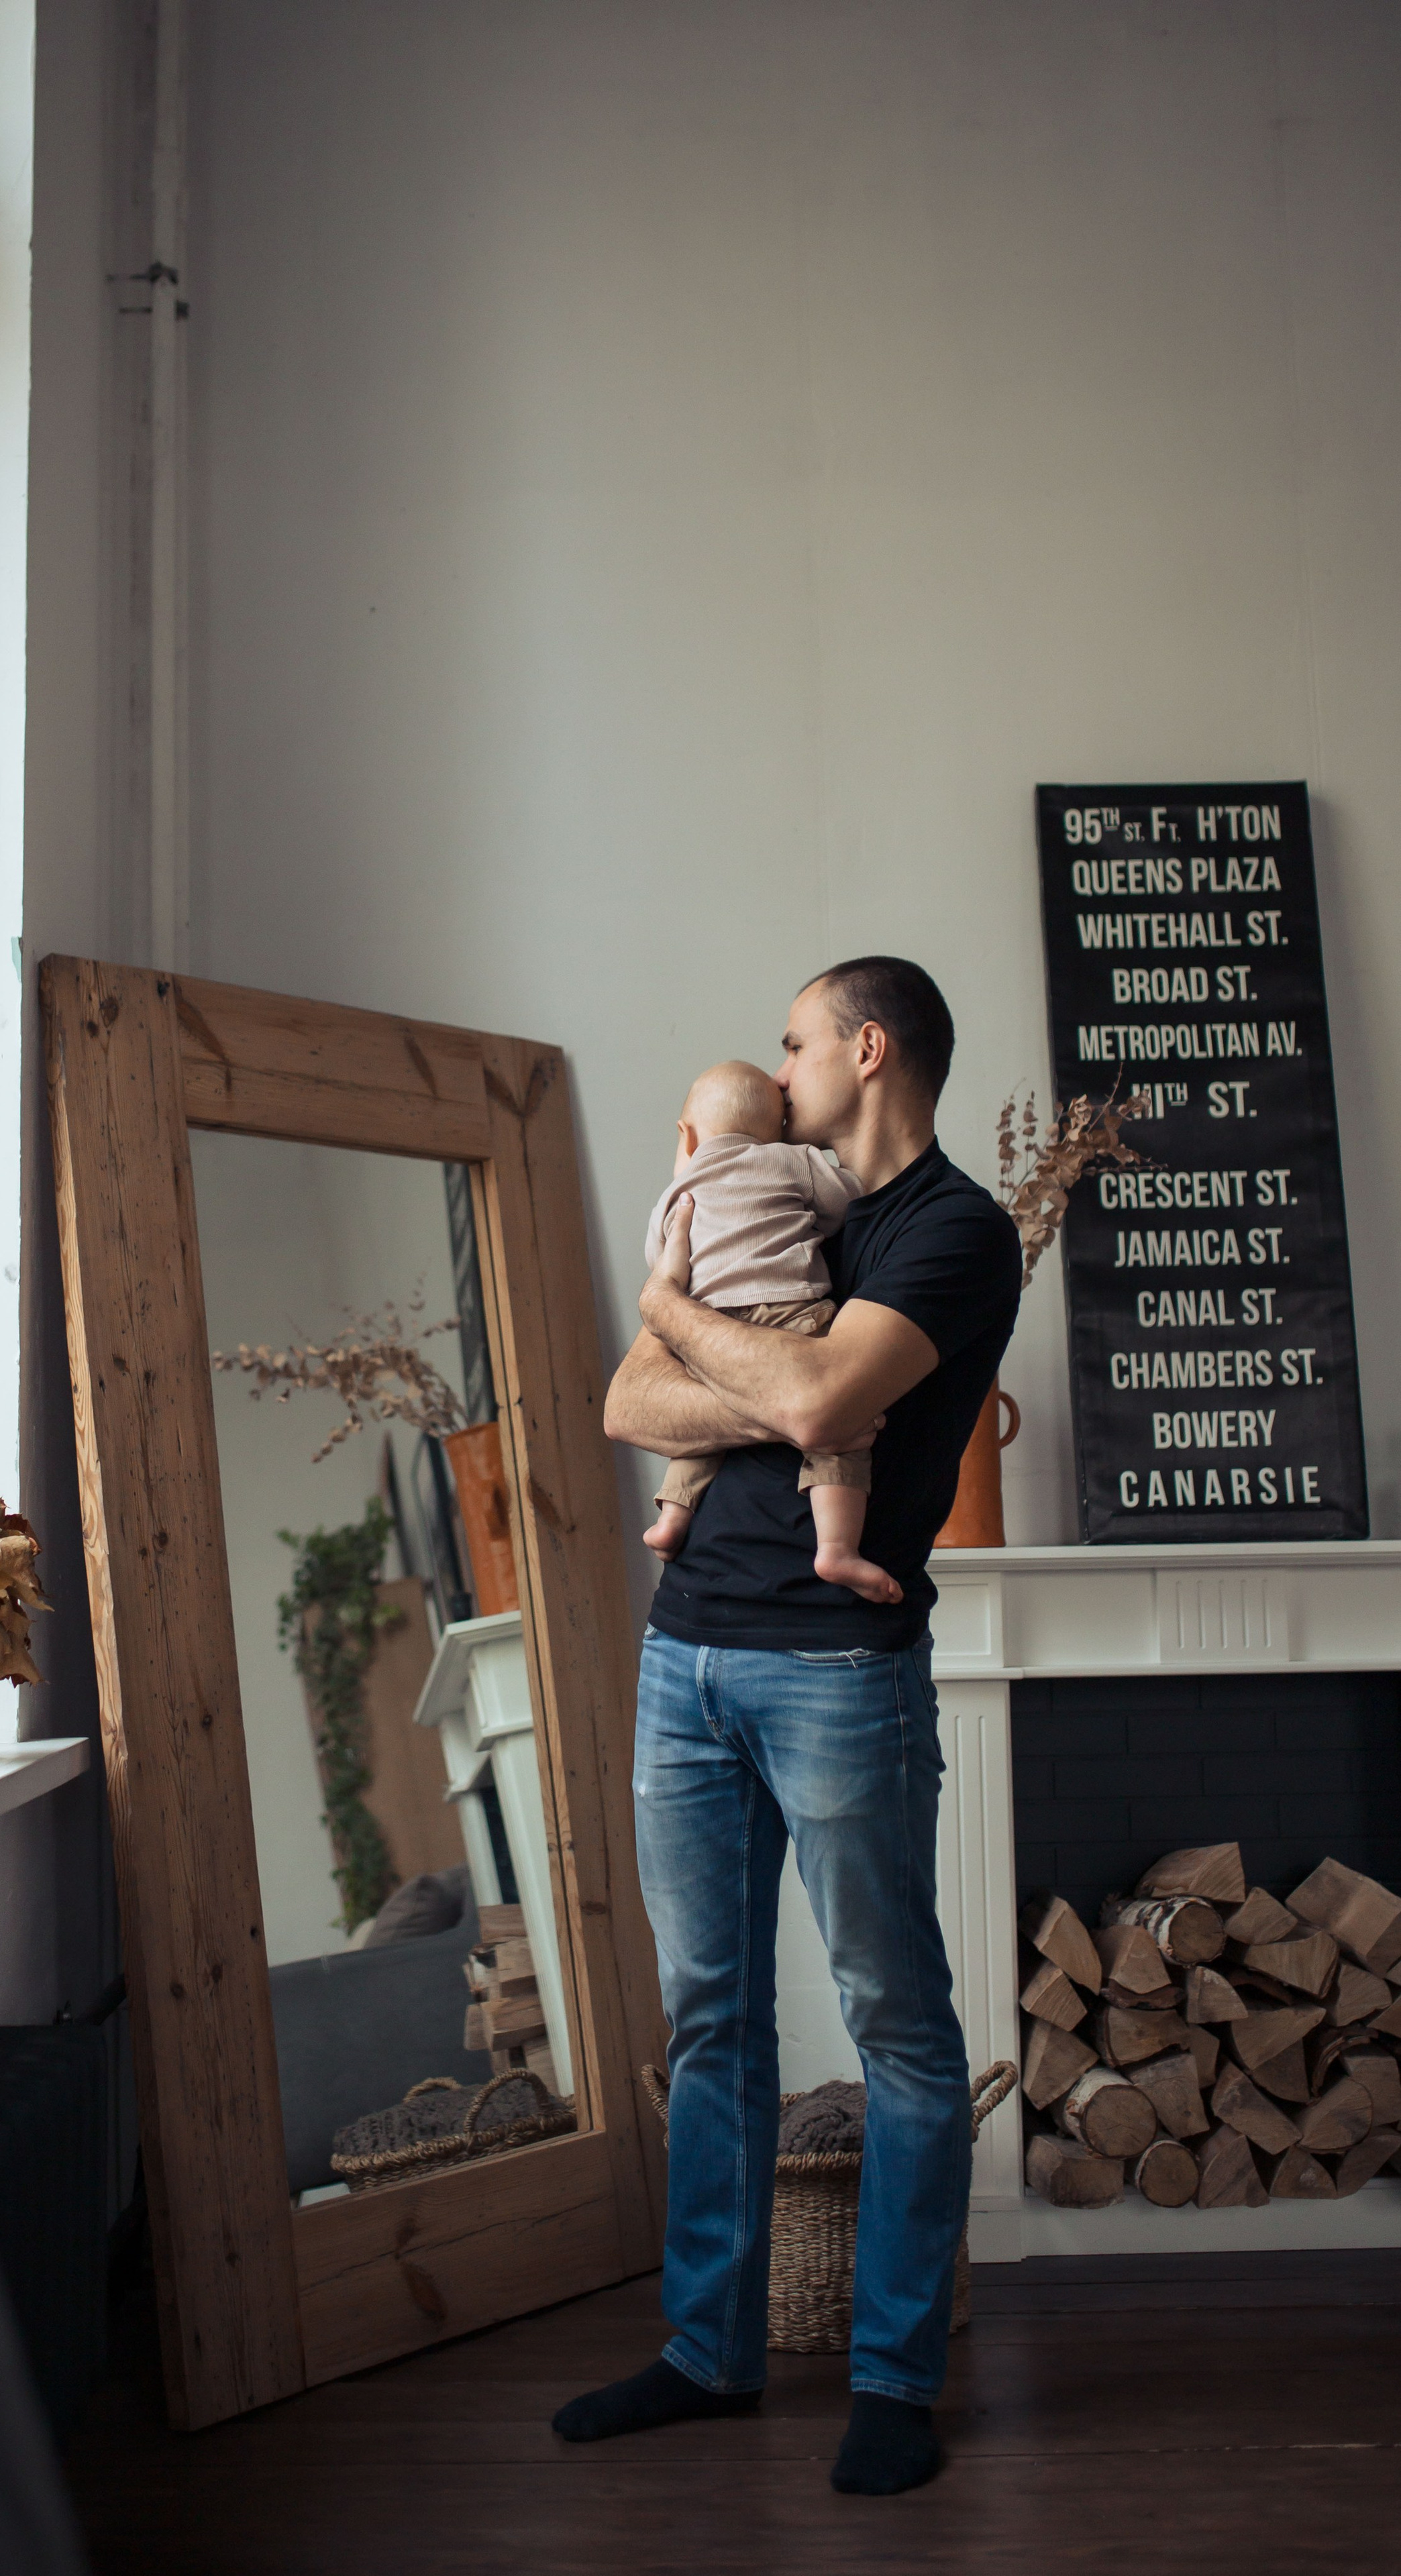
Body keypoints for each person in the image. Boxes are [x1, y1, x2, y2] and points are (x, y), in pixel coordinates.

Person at [553, 957, 1022, 2498]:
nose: (776, 1061)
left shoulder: (951, 1229)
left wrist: (690, 1324)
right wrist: (773, 1376)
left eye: (795, 1037)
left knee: (894, 2022)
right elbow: (631, 1404)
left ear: (865, 1047)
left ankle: (892, 2374)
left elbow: (816, 1397)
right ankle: (708, 2350)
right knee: (707, 2022)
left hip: (837, 1668)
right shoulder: (770, 1191)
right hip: (682, 1658)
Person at [641, 1056, 898, 1605]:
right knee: (840, 1430)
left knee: (699, 1419)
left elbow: (662, 1263)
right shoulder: (791, 1160)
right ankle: (837, 1548)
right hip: (790, 1314)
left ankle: (672, 1516)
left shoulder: (675, 1195)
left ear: (685, 1135)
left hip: (709, 1322)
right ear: (778, 1129)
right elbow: (846, 1204)